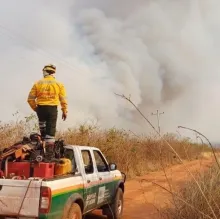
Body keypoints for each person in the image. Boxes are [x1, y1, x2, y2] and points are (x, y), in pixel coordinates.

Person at [27, 64, 68, 160]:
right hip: (52, 110)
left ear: (45, 72)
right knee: (50, 133)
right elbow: (63, 99)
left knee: (43, 133)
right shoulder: (59, 84)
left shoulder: (38, 83)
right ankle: (49, 157)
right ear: (53, 72)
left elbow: (30, 99)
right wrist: (64, 110)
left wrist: (36, 109)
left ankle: (40, 153)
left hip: (41, 109)